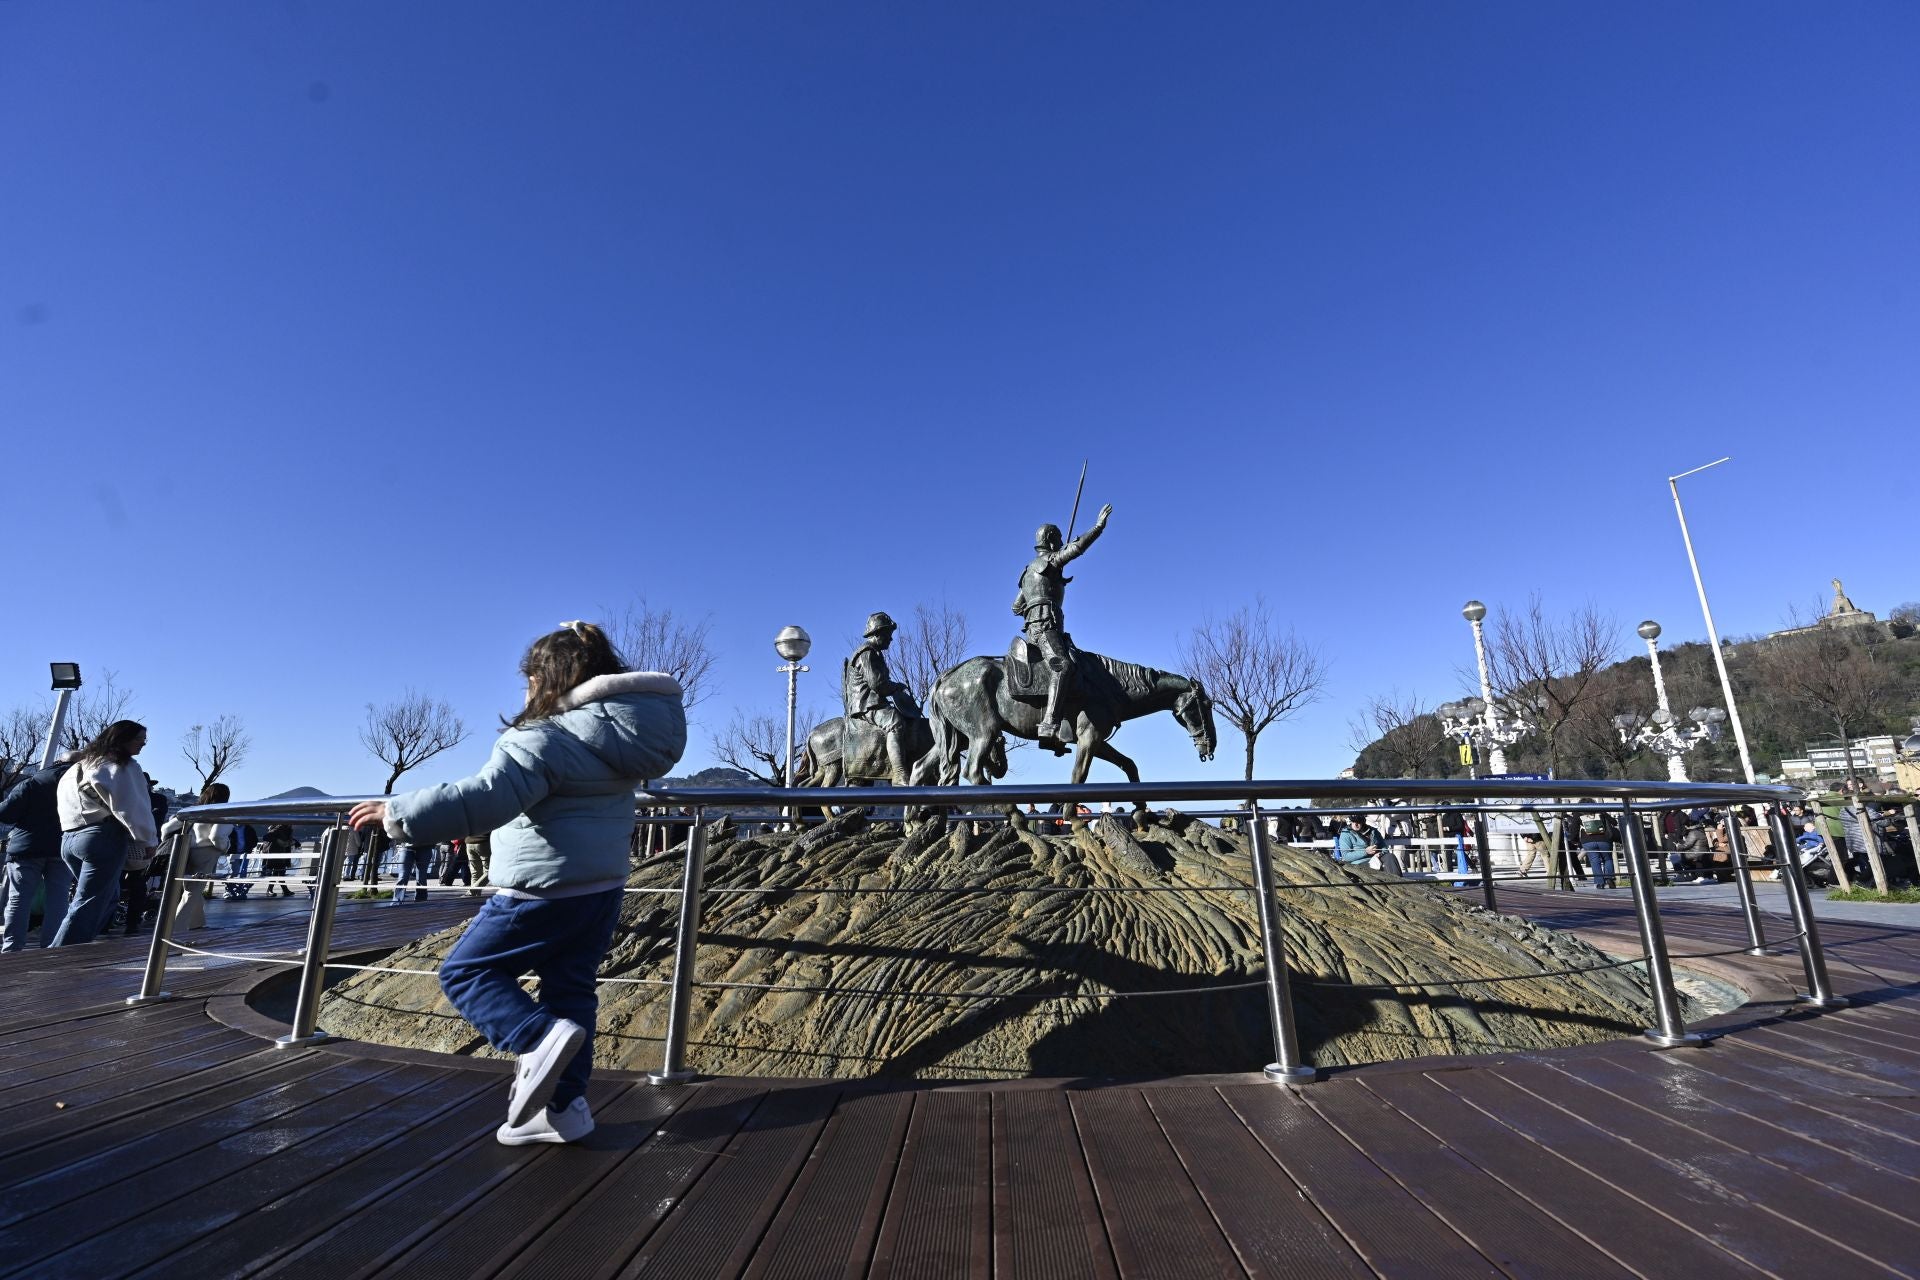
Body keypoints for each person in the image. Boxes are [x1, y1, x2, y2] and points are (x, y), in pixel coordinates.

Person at [349, 621, 686, 1146]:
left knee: (466, 971)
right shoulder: (622, 743)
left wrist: (398, 814)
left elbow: (486, 798)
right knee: (570, 990)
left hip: (540, 888)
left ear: (547, 678)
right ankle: (563, 1111)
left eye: (530, 677)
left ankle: (535, 1039)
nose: (526, 687)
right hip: (601, 889)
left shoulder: (543, 736)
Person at [1011, 502, 1112, 750]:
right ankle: (1049, 725)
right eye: (1058, 540)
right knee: (1062, 667)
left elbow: (1015, 607)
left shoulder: (1027, 572)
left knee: (1074, 666)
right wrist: (1098, 527)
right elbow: (1077, 548)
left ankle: (1064, 728)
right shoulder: (1051, 562)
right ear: (1052, 542)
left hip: (1034, 627)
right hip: (1045, 627)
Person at [51, 720, 160, 946]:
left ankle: (76, 947)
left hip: (70, 837)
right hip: (102, 836)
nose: (143, 745)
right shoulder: (121, 765)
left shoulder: (78, 767)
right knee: (90, 902)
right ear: (121, 739)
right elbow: (132, 805)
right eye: (139, 739)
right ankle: (60, 954)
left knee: (107, 897)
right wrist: (148, 840)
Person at [0, 754, 78, 950]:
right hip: (63, 847)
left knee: (19, 898)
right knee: (59, 899)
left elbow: (6, 814)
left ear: (57, 762)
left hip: (27, 847)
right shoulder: (81, 785)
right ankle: (52, 948)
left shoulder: (33, 782)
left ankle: (12, 948)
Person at [842, 612, 923, 786]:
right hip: (866, 704)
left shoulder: (874, 653)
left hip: (870, 702)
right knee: (895, 721)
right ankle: (900, 774)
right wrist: (895, 687)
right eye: (888, 635)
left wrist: (896, 686)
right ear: (878, 633)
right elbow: (877, 684)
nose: (890, 640)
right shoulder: (867, 653)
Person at [163, 782, 233, 931]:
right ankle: (176, 927)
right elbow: (217, 836)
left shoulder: (194, 811)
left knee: (191, 888)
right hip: (207, 851)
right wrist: (225, 846)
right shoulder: (222, 812)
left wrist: (166, 841)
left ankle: (196, 923)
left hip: (188, 851)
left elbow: (166, 827)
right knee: (193, 891)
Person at [1576, 805, 1617, 890]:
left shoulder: (1578, 814)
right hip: (1604, 840)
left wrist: (1575, 841)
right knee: (1608, 859)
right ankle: (1609, 878)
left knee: (1594, 861)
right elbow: (1614, 822)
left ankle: (1599, 883)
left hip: (1588, 841)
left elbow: (1573, 830)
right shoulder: (1600, 811)